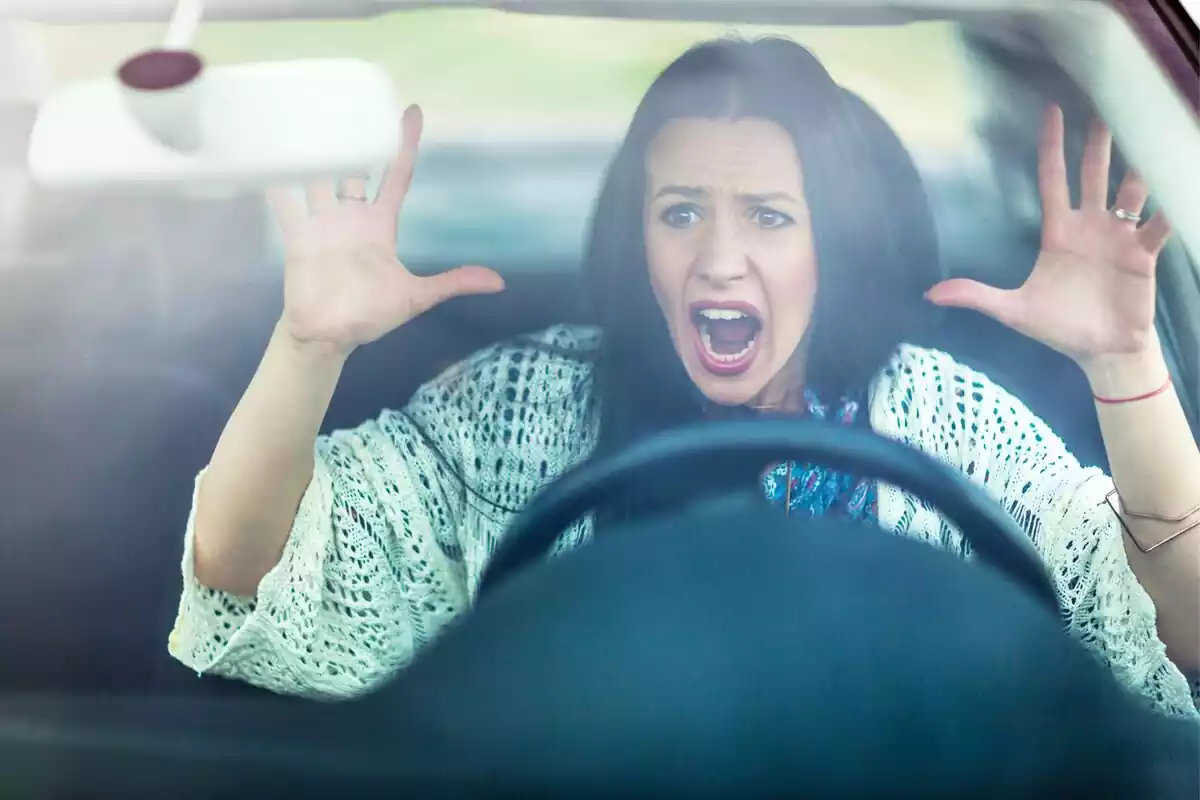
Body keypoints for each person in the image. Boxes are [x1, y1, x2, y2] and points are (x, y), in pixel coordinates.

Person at [169, 37, 1200, 717]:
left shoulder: (952, 419)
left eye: (768, 215)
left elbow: (1182, 628)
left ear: (832, 245)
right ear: (639, 235)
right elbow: (240, 568)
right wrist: (307, 345)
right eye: (680, 212)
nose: (716, 257)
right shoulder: (510, 410)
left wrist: (1125, 362)